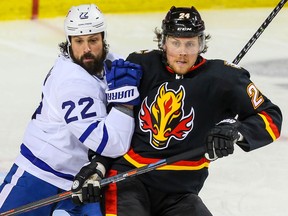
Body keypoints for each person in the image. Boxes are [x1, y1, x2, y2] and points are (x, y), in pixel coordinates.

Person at [73, 5, 282, 216]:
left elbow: (271, 118)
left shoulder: (222, 79)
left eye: (190, 43)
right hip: (129, 180)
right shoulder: (141, 65)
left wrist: (235, 130)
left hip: (180, 192)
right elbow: (115, 123)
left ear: (201, 44)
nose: (182, 52)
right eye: (176, 43)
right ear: (163, 43)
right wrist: (99, 165)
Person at [0, 3, 141, 216]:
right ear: (69, 42)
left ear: (103, 38)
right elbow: (112, 144)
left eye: (93, 40)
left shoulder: (112, 62)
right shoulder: (71, 83)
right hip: (39, 173)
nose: (86, 49)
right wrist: (124, 104)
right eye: (79, 41)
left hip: (85, 179)